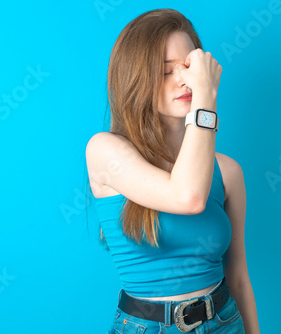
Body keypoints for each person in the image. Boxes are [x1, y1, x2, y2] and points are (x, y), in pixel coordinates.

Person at [85, 8, 260, 333]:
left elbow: (238, 278)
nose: (184, 80)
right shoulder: (104, 150)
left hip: (225, 322)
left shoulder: (228, 173)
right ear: (136, 79)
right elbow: (188, 196)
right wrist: (206, 98)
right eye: (166, 71)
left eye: (190, 67)